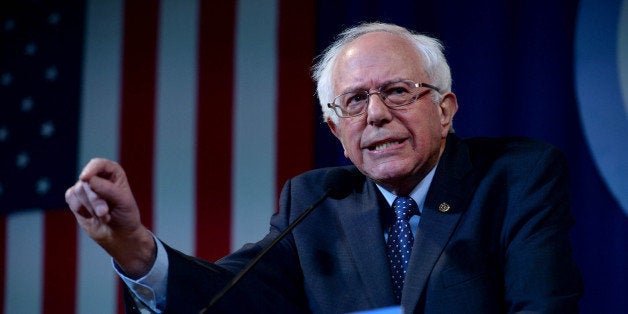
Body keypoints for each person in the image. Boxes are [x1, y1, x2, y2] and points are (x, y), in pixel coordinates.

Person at [65, 22, 583, 313]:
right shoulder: (315, 203)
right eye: (354, 101)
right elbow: (227, 299)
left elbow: (544, 307)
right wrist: (134, 248)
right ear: (338, 133)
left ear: (445, 110)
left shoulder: (517, 177)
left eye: (398, 91)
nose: (376, 114)